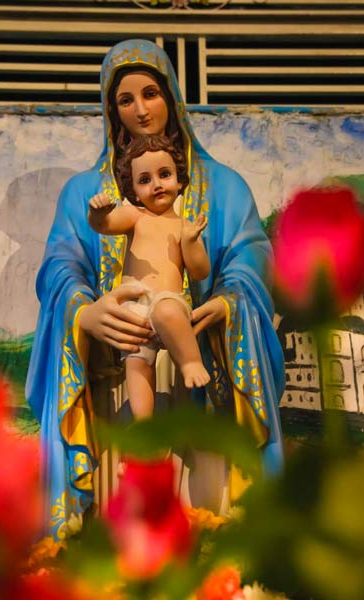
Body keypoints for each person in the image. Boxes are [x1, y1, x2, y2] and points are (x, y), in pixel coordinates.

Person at [26, 39, 285, 541]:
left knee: (206, 525)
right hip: (120, 371)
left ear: (172, 97)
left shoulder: (224, 187)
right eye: (125, 99)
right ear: (111, 109)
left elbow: (251, 259)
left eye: (151, 93)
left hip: (203, 374)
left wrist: (228, 301)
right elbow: (61, 266)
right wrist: (84, 311)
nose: (141, 110)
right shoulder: (86, 193)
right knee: (129, 526)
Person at [88, 134, 211, 419]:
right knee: (137, 362)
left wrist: (191, 242)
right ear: (133, 190)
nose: (156, 184)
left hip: (168, 301)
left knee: (167, 312)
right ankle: (143, 423)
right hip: (136, 311)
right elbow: (105, 225)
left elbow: (199, 271)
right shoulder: (135, 216)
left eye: (164, 174)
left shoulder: (184, 226)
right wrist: (98, 213)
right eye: (144, 180)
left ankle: (190, 362)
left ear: (179, 180)